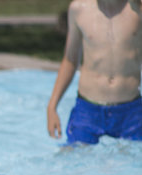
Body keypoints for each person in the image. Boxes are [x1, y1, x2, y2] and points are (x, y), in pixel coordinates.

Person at [47, 0, 142, 144]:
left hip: (130, 111)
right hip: (88, 111)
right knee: (76, 159)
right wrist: (52, 106)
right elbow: (70, 60)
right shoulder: (79, 9)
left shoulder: (136, 8)